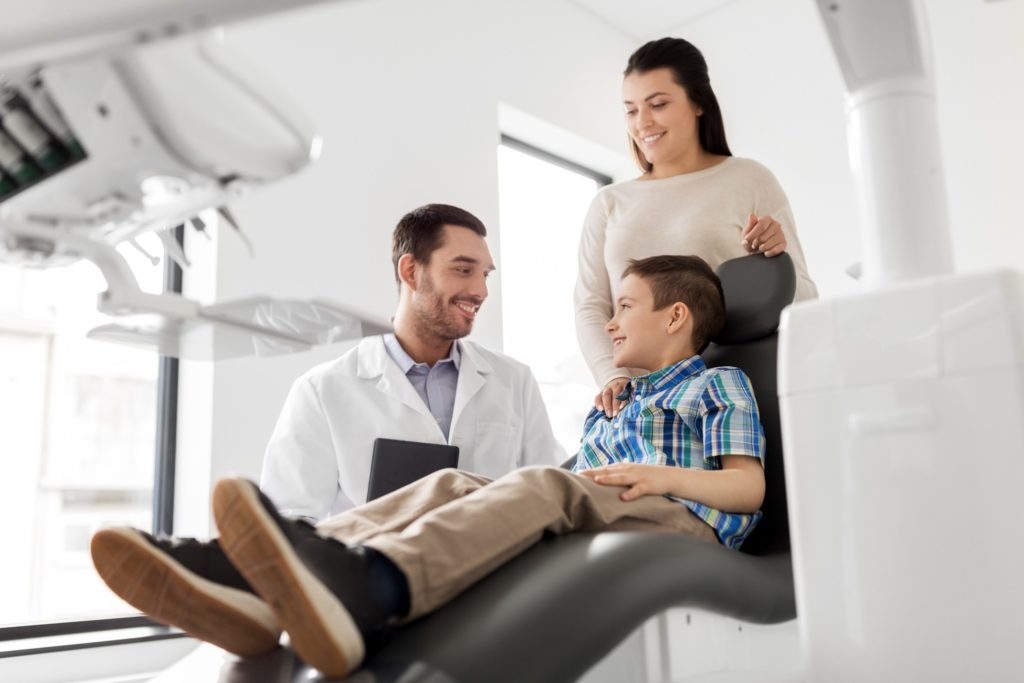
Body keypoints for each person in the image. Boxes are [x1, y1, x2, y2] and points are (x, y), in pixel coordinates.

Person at [91, 254, 766, 678]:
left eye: (624, 307)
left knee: (541, 483)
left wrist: (661, 477)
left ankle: (377, 586)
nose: (611, 323)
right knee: (448, 481)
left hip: (683, 522)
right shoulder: (617, 398)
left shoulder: (718, 383)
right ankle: (250, 582)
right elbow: (575, 478)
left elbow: (747, 486)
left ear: (676, 316)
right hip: (612, 508)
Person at [261, 203, 563, 520]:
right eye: (463, 270)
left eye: (484, 274)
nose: (480, 290)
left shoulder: (515, 380)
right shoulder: (321, 390)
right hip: (373, 564)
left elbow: (551, 490)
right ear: (410, 272)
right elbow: (291, 520)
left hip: (498, 566)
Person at [577, 37, 817, 419]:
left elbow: (804, 300)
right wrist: (611, 377)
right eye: (630, 110)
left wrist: (774, 260)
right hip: (639, 407)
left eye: (658, 104)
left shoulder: (747, 179)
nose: (643, 123)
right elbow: (591, 304)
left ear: (699, 102)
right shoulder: (609, 203)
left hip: (726, 401)